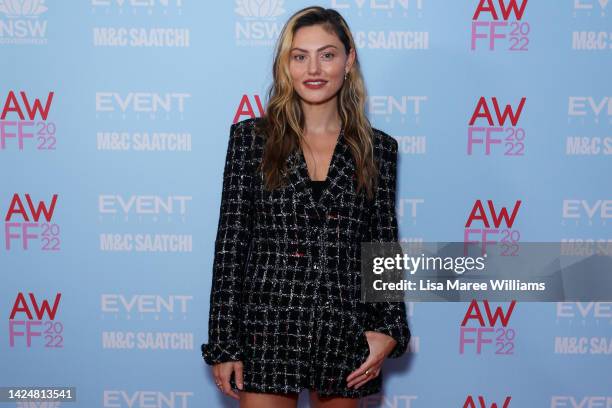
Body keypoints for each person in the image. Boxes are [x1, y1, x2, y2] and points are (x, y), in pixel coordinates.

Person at [201, 6, 410, 408]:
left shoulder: (378, 149)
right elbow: (231, 244)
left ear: (348, 61)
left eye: (327, 54)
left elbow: (382, 245)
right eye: (300, 56)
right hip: (266, 331)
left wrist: (387, 326)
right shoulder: (251, 140)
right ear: (287, 65)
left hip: (345, 333)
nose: (314, 68)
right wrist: (225, 342)